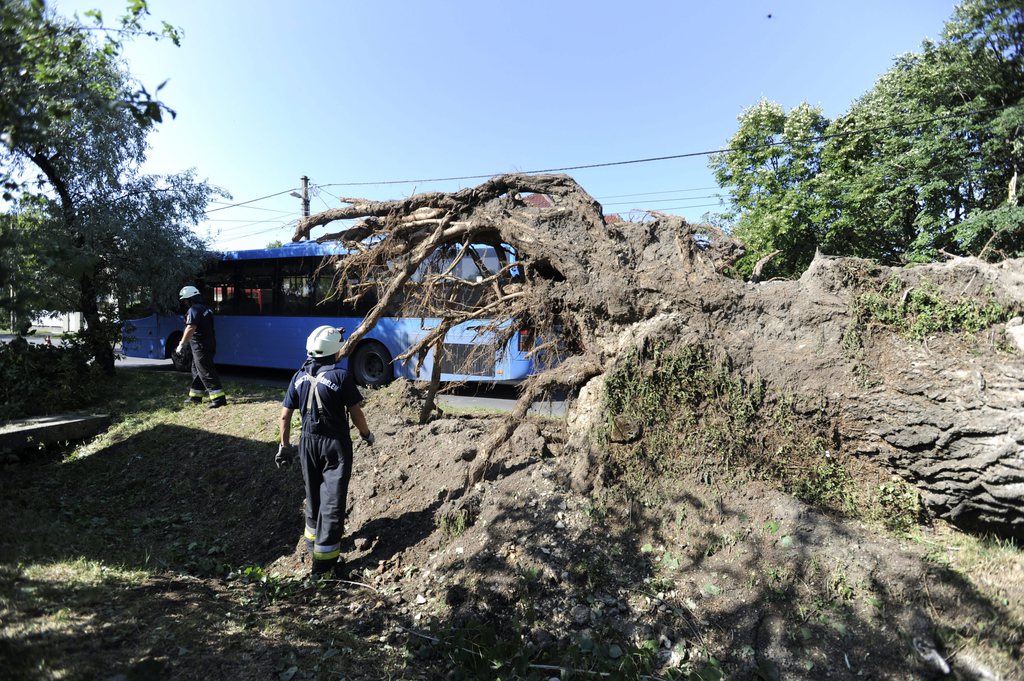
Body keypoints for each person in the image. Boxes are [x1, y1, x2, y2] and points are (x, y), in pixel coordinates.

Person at [277, 325, 374, 579]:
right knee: (332, 501)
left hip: (306, 444)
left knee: (314, 494)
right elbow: (356, 413)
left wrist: (284, 447)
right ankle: (324, 566)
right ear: (334, 350)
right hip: (335, 445)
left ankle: (312, 544)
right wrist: (366, 434)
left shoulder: (297, 377)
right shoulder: (341, 377)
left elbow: (285, 417)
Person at [175, 285, 227, 409]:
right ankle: (195, 397)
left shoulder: (194, 310)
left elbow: (191, 327)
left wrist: (181, 344)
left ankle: (219, 399)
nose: (185, 303)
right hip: (207, 343)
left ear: (189, 299)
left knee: (205, 370)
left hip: (200, 345)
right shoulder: (205, 309)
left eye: (185, 300)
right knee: (197, 369)